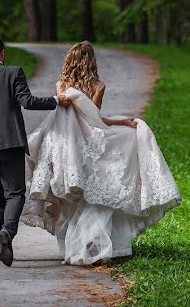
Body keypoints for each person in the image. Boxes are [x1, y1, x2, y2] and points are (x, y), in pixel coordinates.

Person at [22, 41, 181, 265]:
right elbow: (94, 119)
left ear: (69, 61)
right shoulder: (98, 85)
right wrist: (121, 122)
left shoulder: (61, 85)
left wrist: (119, 120)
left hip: (68, 148)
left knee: (79, 197)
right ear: (92, 61)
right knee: (99, 187)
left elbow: (75, 116)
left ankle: (80, 245)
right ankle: (94, 245)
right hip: (89, 142)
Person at [0, 35, 72, 267]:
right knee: (16, 193)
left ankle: (2, 245)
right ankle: (8, 232)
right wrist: (55, 100)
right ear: (3, 53)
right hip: (10, 143)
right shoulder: (14, 73)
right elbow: (27, 102)